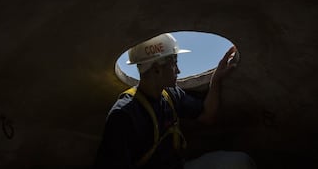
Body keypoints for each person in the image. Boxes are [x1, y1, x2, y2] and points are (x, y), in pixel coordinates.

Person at [95, 33, 256, 169]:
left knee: (241, 161)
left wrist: (216, 80)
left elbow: (207, 116)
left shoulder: (171, 95)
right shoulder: (123, 115)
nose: (178, 70)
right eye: (174, 64)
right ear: (157, 69)